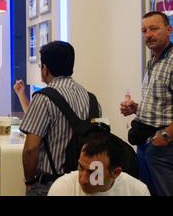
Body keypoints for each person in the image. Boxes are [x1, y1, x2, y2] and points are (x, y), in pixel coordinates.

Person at [15, 40, 102, 196]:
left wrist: (29, 184)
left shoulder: (43, 98)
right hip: (86, 183)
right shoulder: (92, 99)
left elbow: (30, 148)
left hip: (51, 184)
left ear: (45, 69)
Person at [120, 11, 173, 196]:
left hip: (163, 147)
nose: (148, 35)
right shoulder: (153, 62)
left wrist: (165, 138)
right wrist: (136, 108)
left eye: (154, 29)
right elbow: (161, 105)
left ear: (168, 30)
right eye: (144, 30)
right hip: (145, 144)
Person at [48, 133, 150, 196]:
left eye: (93, 173)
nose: (83, 180)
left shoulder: (138, 191)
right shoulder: (64, 186)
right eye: (81, 167)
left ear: (115, 173)